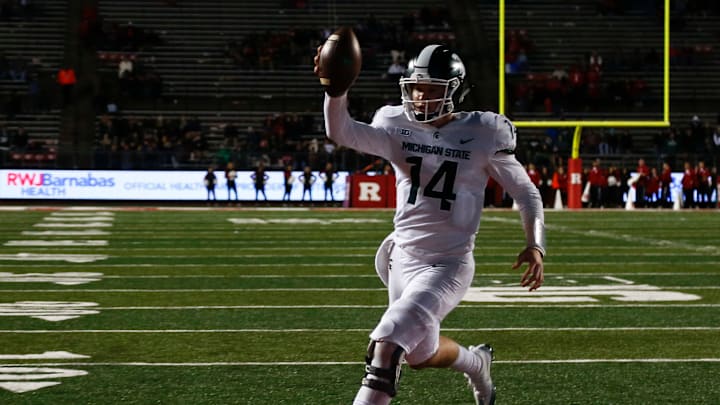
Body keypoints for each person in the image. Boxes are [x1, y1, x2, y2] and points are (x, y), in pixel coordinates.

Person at [315, 43, 545, 405]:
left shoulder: (483, 132)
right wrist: (336, 92)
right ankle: (476, 363)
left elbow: (526, 193)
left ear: (455, 90)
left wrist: (535, 243)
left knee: (385, 349)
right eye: (417, 87)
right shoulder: (395, 124)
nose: (421, 96)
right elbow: (341, 132)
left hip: (447, 263)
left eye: (432, 88)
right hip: (400, 258)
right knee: (419, 355)